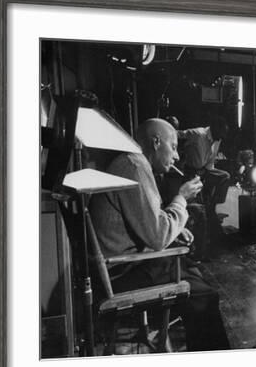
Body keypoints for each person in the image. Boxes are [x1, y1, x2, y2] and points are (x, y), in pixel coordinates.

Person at [89, 118, 230, 352]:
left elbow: (147, 221)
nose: (176, 156)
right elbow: (157, 236)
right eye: (173, 147)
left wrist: (175, 228)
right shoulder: (134, 166)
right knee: (204, 296)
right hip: (122, 274)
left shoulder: (131, 162)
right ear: (156, 142)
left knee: (191, 271)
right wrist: (182, 198)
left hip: (125, 266)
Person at [178, 116, 230, 239]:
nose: (222, 137)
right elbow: (178, 134)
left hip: (206, 170)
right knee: (198, 207)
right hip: (191, 171)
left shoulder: (218, 139)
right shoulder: (198, 133)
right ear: (214, 129)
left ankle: (213, 203)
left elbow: (211, 162)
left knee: (225, 176)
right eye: (221, 133)